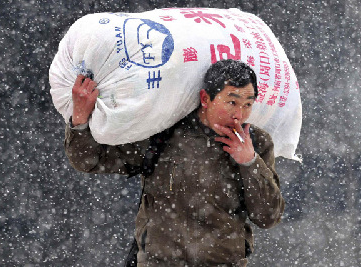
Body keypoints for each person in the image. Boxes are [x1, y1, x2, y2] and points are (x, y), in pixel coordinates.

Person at [64, 59, 285, 267]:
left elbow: (268, 217)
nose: (239, 114)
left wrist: (249, 163)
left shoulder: (256, 143)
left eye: (248, 104)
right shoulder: (164, 132)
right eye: (232, 102)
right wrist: (80, 120)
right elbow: (90, 161)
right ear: (205, 99)